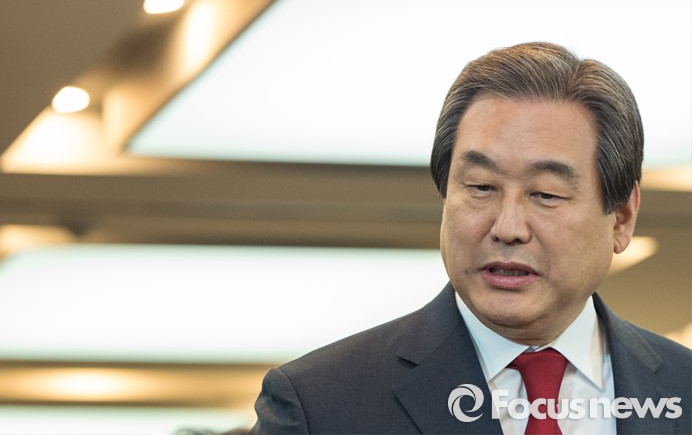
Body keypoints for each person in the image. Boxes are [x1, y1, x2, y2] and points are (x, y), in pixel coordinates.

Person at [250, 42, 691, 434]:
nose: (508, 228)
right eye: (481, 187)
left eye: (545, 194)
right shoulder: (320, 406)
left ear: (622, 218)